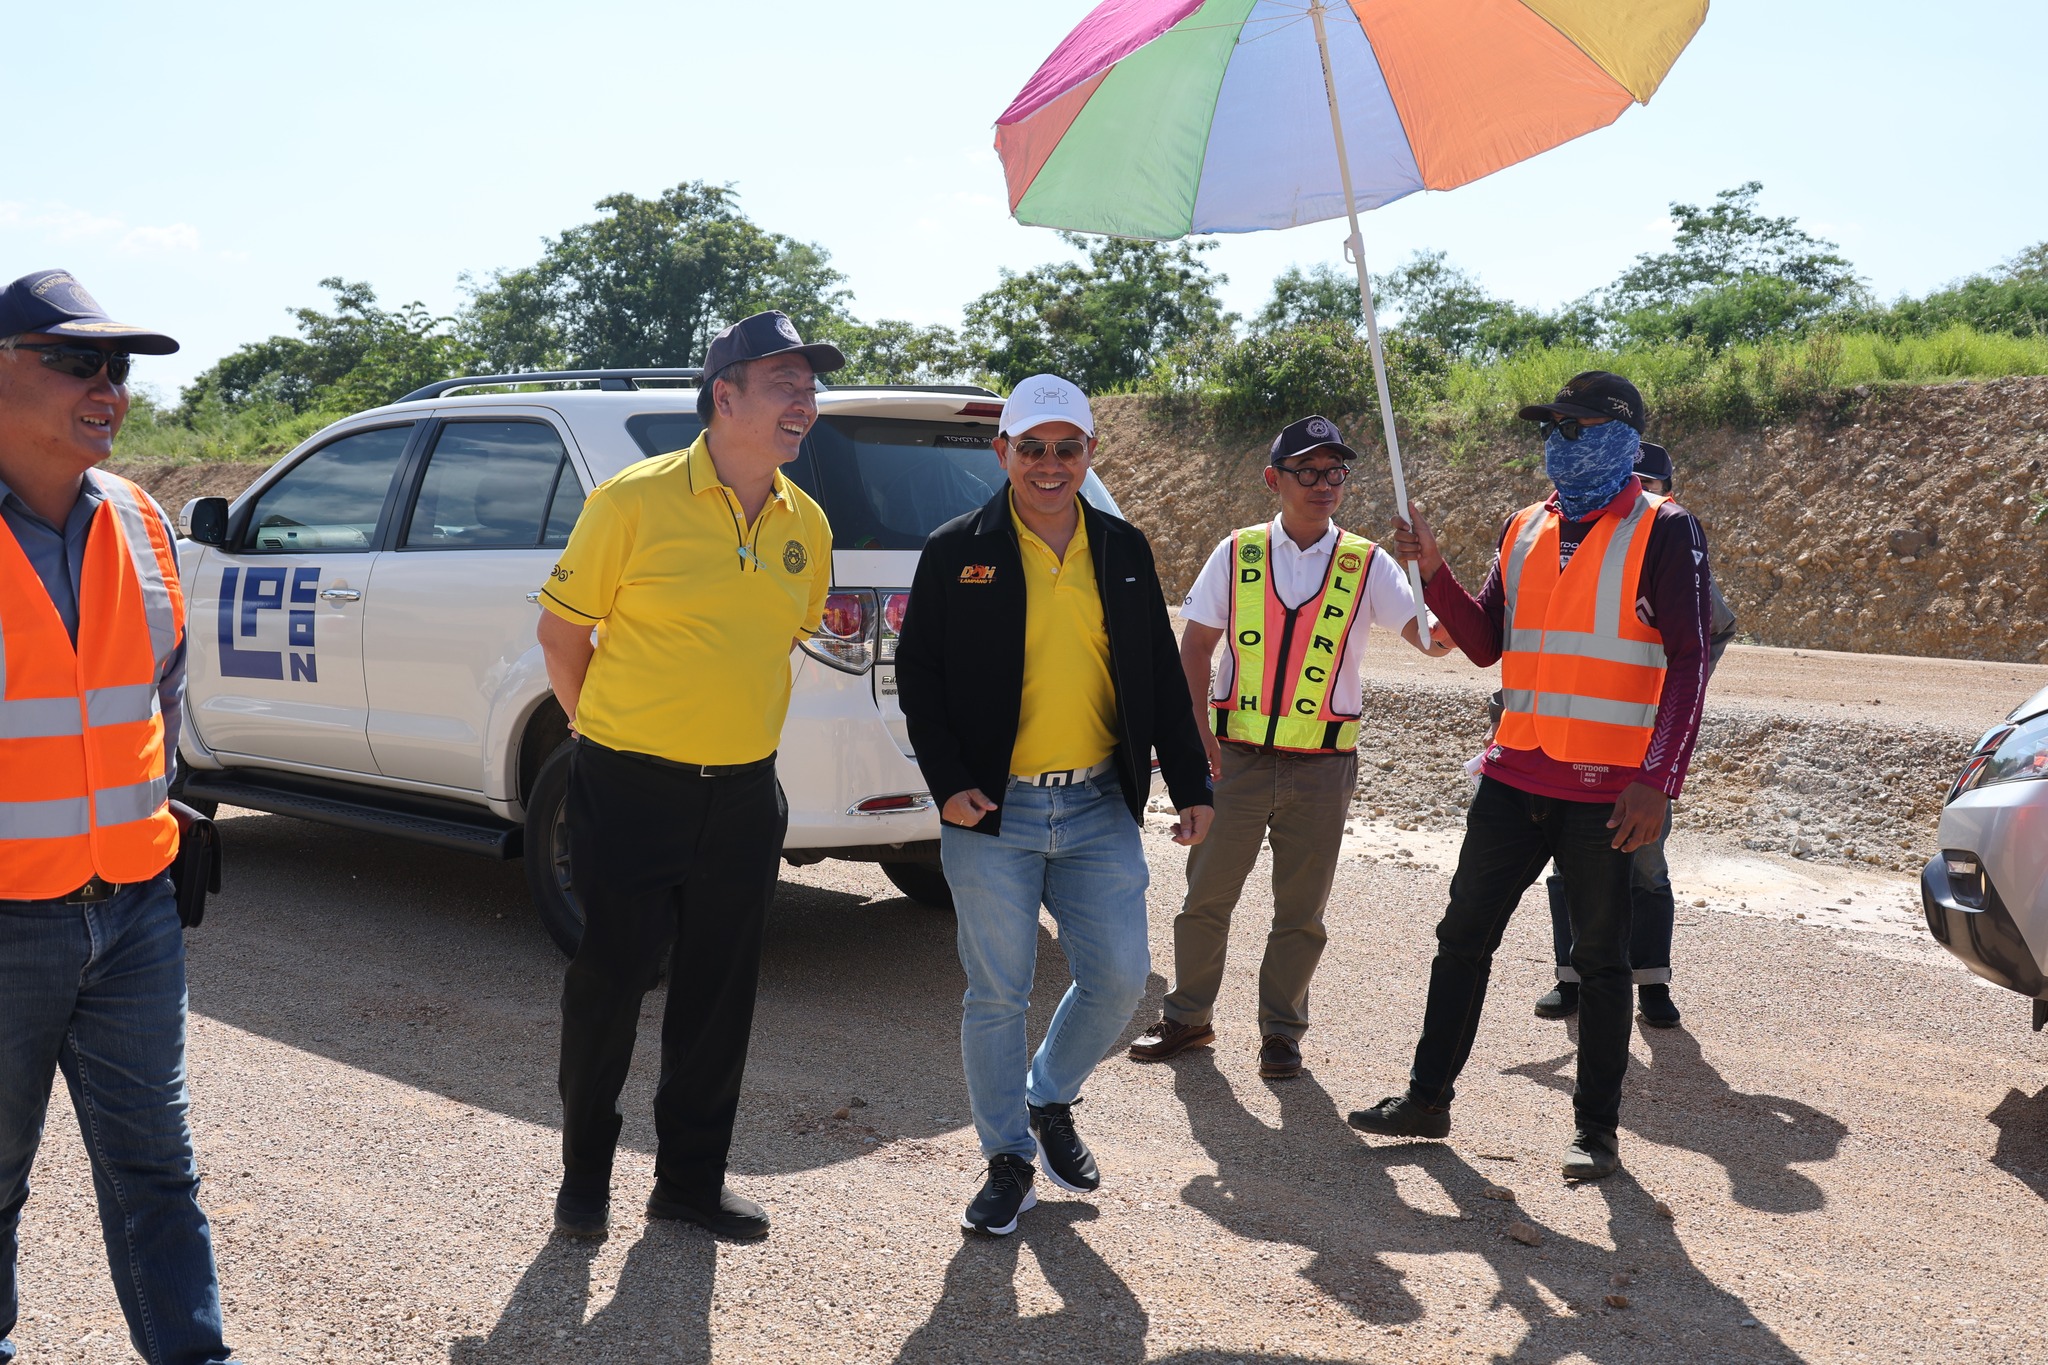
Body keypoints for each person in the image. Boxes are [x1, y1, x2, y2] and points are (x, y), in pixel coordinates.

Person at [1347, 371, 1716, 1181]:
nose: (1557, 442)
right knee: (1461, 937)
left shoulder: (1665, 529)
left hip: (1607, 792)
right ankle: (1427, 1099)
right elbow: (1485, 643)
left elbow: (1690, 662)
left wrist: (1659, 780)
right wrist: (1434, 570)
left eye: (1574, 427)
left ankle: (1596, 1133)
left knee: (1603, 962)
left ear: (1620, 437)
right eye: (1550, 428)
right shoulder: (1524, 526)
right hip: (1515, 775)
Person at [537, 310, 840, 1242]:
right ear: (725, 396)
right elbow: (561, 633)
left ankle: (690, 1183)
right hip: (629, 787)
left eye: (810, 387)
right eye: (785, 383)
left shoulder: (808, 522)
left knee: (719, 995)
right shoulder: (632, 500)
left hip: (744, 794)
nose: (805, 401)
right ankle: (585, 1178)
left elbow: (781, 641)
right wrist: (603, 733)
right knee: (610, 983)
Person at [895, 373, 1214, 1236]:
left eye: (1066, 448)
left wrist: (1192, 785)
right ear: (1002, 452)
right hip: (991, 813)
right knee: (997, 993)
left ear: (1089, 453)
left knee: (1117, 978)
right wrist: (948, 781)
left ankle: (1049, 1096)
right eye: (1031, 447)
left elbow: (1158, 676)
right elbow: (917, 674)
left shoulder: (1122, 547)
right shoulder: (955, 550)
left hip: (1097, 804)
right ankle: (1007, 1158)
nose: (1049, 463)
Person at [0, 271, 242, 1364]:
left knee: (159, 1173)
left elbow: (160, 693)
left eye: (118, 368)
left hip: (135, 910)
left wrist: (156, 814)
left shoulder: (143, 520)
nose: (108, 387)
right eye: (75, 361)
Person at [1127, 415, 1453, 1080]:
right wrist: (1196, 736)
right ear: (1274, 479)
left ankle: (1281, 1031)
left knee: (1301, 914)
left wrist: (1433, 569)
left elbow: (1436, 641)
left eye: (1334, 471)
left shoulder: (1368, 562)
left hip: (1324, 768)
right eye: (1307, 470)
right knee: (1205, 900)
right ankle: (1188, 1017)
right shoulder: (1236, 553)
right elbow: (1194, 647)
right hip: (1236, 760)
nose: (1323, 483)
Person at [1530, 440, 1739, 1028]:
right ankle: (1570, 979)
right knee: (1569, 864)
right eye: (1633, 480)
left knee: (1645, 865)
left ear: (1667, 493)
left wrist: (1678, 691)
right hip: (1569, 741)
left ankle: (1651, 983)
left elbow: (1713, 633)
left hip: (1644, 746)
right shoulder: (1570, 546)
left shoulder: (1670, 551)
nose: (1640, 492)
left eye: (1650, 484)